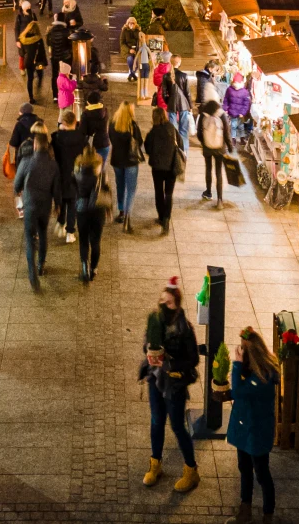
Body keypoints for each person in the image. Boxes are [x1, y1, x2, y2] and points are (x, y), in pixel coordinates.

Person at [140, 277, 200, 493]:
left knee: (176, 426)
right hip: (156, 379)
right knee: (156, 421)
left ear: (176, 304)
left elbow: (193, 359)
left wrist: (168, 360)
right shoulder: (155, 321)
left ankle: (191, 470)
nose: (164, 305)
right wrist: (149, 352)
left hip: (174, 383)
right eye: (162, 301)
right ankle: (155, 464)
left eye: (169, 302)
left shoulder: (184, 328)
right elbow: (146, 343)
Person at [226, 329, 280, 524]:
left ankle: (268, 515)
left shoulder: (263, 377)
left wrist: (236, 365)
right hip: (246, 429)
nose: (239, 350)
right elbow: (241, 392)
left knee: (262, 473)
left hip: (256, 432)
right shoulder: (254, 373)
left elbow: (241, 392)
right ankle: (245, 510)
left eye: (242, 348)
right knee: (244, 468)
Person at [13, 132, 61, 289]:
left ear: (34, 145)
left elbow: (17, 184)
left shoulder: (27, 161)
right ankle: (41, 265)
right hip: (44, 206)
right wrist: (58, 205)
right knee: (43, 233)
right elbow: (56, 188)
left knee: (29, 239)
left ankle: (32, 275)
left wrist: (20, 191)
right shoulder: (53, 164)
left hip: (30, 205)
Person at [144, 107, 181, 234]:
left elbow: (147, 148)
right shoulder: (171, 128)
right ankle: (166, 218)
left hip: (158, 168)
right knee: (169, 193)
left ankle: (160, 216)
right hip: (171, 167)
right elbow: (180, 143)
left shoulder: (153, 132)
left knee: (159, 192)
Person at [73, 143, 105, 282]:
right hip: (98, 210)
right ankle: (94, 269)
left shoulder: (77, 175)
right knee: (96, 241)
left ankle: (84, 266)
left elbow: (72, 190)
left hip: (82, 210)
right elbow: (107, 192)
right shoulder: (101, 176)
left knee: (84, 240)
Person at [108, 101, 143, 228]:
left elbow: (110, 138)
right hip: (131, 161)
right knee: (131, 189)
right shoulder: (132, 126)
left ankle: (121, 211)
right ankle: (128, 215)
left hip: (117, 160)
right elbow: (139, 142)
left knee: (120, 186)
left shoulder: (112, 124)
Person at [196, 99, 234, 207]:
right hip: (219, 148)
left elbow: (199, 132)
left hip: (207, 147)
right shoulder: (222, 115)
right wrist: (230, 147)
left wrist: (204, 142)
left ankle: (208, 192)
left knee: (208, 169)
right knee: (218, 172)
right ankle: (220, 200)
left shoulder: (203, 115)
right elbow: (227, 132)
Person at [52, 110, 83, 242]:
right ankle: (70, 232)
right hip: (75, 176)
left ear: (63, 122)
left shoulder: (56, 138)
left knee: (61, 199)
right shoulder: (81, 138)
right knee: (72, 203)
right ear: (75, 122)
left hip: (59, 175)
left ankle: (60, 223)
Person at [159, 55, 192, 154]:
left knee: (173, 130)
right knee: (184, 131)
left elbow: (163, 93)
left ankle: (174, 151)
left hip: (172, 105)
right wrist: (190, 106)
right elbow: (188, 93)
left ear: (170, 62)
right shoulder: (184, 75)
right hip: (184, 105)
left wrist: (168, 102)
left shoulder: (166, 76)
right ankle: (184, 152)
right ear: (179, 63)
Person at [79, 88, 111, 178]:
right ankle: (102, 184)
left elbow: (82, 132)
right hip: (105, 143)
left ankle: (94, 189)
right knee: (101, 169)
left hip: (91, 145)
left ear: (89, 102)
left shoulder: (86, 114)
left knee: (90, 173)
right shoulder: (105, 110)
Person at [17, 17, 48, 104]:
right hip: (38, 62)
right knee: (40, 74)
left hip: (28, 62)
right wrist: (44, 62)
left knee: (30, 79)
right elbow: (42, 52)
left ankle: (31, 97)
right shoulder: (38, 39)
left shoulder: (23, 39)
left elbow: (22, 52)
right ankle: (38, 86)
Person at [7, 103, 39, 168]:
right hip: (36, 154)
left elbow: (14, 142)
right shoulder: (39, 123)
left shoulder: (19, 125)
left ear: (22, 112)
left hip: (22, 155)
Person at [223, 72, 253, 141]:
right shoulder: (229, 90)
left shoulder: (245, 92)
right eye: (235, 83)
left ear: (241, 83)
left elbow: (246, 103)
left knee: (241, 126)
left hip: (240, 114)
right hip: (232, 111)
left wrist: (243, 112)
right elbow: (226, 99)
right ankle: (233, 138)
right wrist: (225, 108)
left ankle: (242, 137)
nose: (236, 85)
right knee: (233, 126)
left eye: (237, 83)